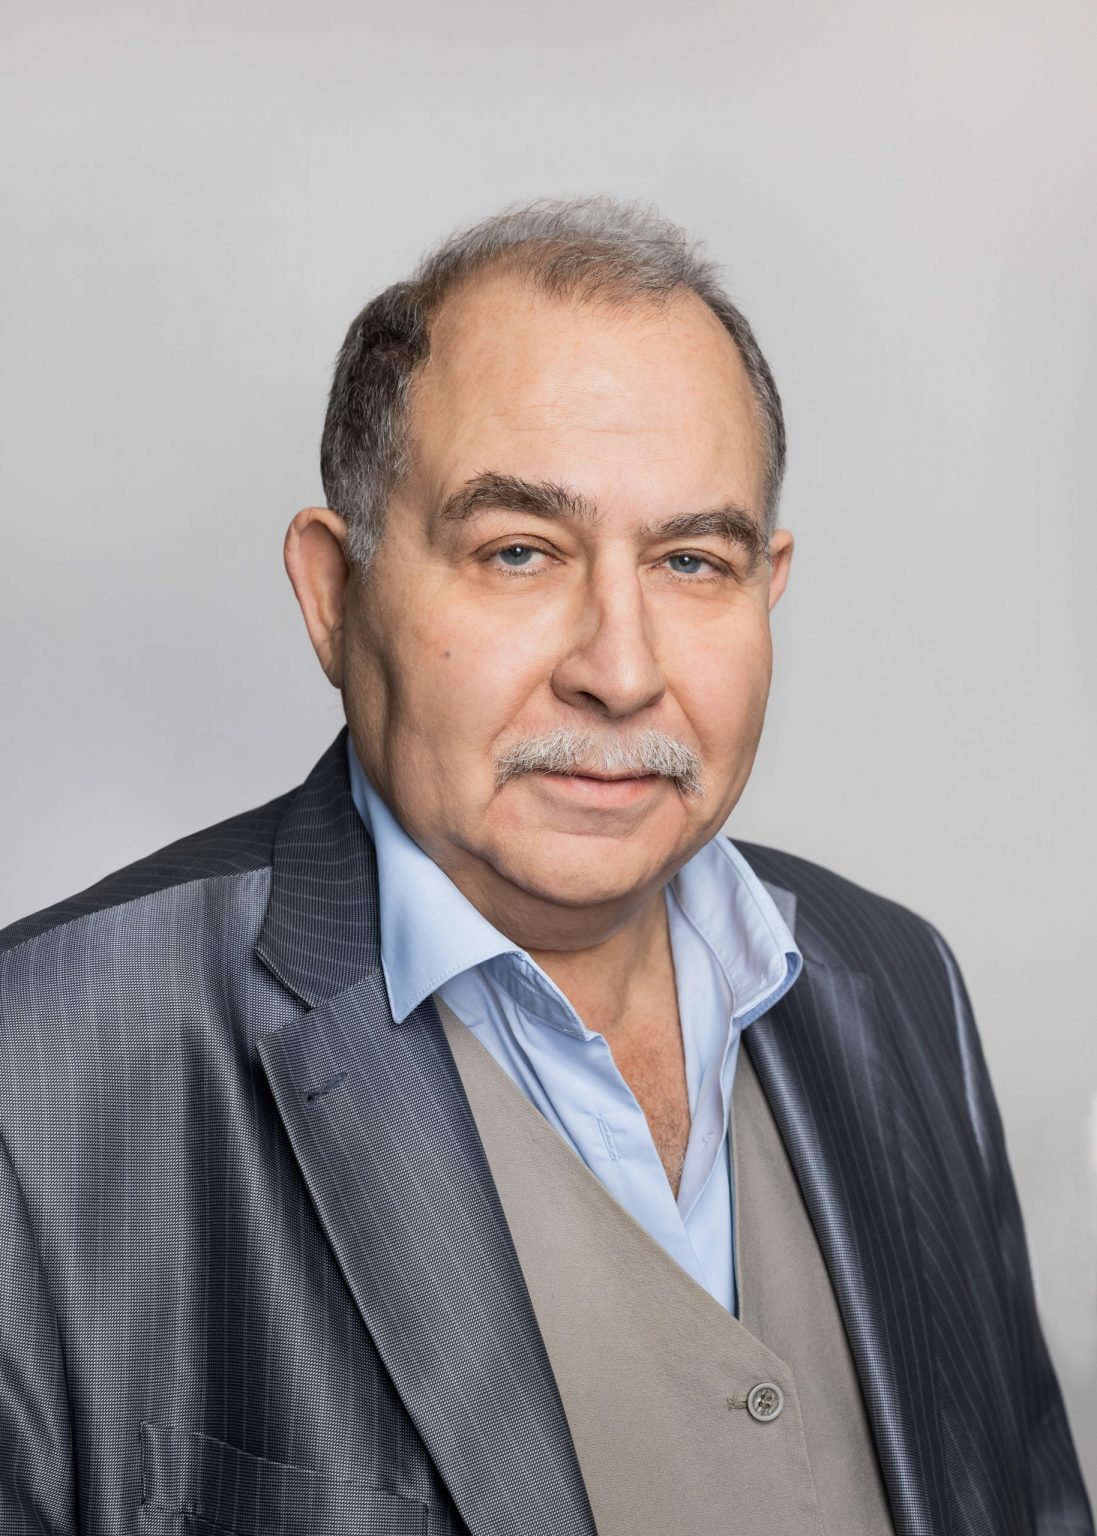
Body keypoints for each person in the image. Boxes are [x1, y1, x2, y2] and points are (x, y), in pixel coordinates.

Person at [0, 197, 1090, 1536]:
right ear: (333, 594)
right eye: (519, 552)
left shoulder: (900, 986)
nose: (620, 670)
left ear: (768, 588)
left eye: (691, 561)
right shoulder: (40, 1071)